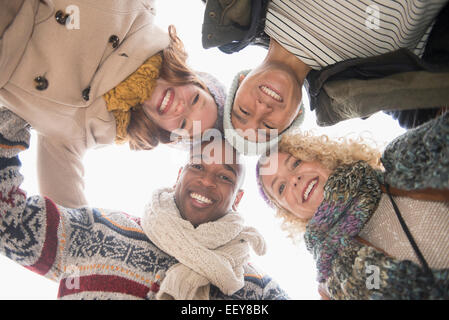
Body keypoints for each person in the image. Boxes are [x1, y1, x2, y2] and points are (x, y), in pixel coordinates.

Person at [0, 108, 289, 300]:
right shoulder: (98, 229)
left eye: (225, 176)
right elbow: (8, 222)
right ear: (179, 175)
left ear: (237, 199)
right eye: (198, 166)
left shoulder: (252, 288)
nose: (207, 181)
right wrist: (20, 109)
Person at [0, 0, 226, 209]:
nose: (181, 108)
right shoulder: (139, 9)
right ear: (193, 78)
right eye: (196, 99)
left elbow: (69, 224)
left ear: (167, 133)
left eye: (184, 123)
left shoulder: (83, 131)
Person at [201, 0, 449, 155]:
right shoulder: (364, 86)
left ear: (242, 79)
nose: (262, 109)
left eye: (244, 111)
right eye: (267, 127)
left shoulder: (240, 9)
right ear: (294, 117)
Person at [255, 113, 449, 299]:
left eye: (296, 163)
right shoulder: (332, 289)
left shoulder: (403, 159)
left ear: (319, 157)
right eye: (281, 187)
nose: (294, 179)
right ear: (289, 212)